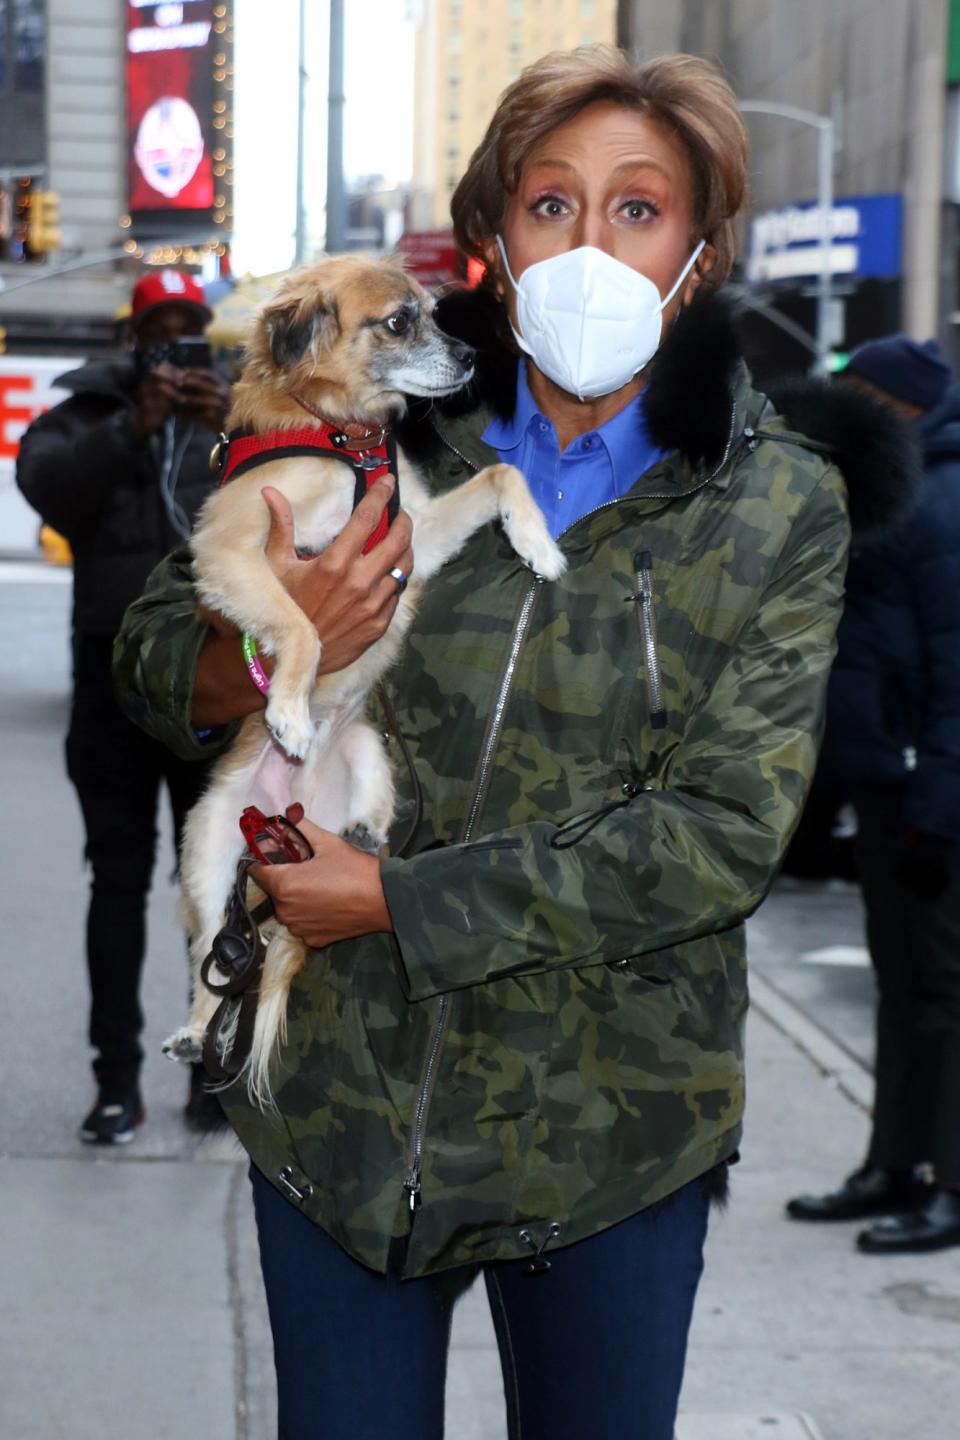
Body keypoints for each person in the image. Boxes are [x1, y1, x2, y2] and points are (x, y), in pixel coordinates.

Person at [113, 48, 914, 1440]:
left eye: (638, 209)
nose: (588, 244)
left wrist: (396, 901)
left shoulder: (771, 500)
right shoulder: (377, 414)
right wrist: (262, 639)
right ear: (494, 234)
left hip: (609, 1131)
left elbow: (721, 836)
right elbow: (146, 658)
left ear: (700, 251)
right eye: (551, 205)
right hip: (339, 1119)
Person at [17, 268, 231, 1144]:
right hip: (110, 682)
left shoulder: (236, 411)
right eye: (161, 329)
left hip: (209, 678)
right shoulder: (88, 411)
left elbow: (301, 500)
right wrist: (133, 422)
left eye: (190, 330)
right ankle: (118, 1081)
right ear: (134, 336)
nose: (175, 345)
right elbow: (48, 487)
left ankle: (213, 1071)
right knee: (117, 880)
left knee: (211, 886)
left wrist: (233, 428)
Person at [786, 334, 960, 1253]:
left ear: (896, 405)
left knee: (944, 989)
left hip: (934, 793)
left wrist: (937, 808)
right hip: (890, 787)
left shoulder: (943, 497)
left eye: (859, 396)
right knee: (902, 983)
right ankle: (894, 1162)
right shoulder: (898, 486)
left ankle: (949, 1181)